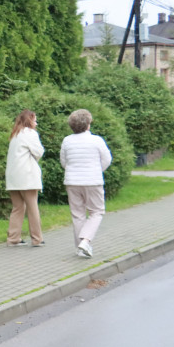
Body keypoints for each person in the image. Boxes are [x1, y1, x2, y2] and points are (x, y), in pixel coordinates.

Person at [59, 109, 112, 259]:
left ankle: (80, 247)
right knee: (97, 212)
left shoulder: (67, 141)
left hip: (72, 181)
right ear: (88, 124)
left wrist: (73, 171)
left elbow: (64, 162)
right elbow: (107, 159)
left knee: (78, 215)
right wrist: (97, 170)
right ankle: (86, 241)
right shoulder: (97, 140)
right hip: (92, 181)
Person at [6, 109, 45, 247]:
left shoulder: (15, 134)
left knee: (17, 207)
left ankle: (13, 238)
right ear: (29, 120)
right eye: (34, 120)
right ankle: (37, 238)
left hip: (13, 177)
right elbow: (39, 152)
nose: (36, 123)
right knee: (32, 207)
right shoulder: (30, 133)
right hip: (27, 176)